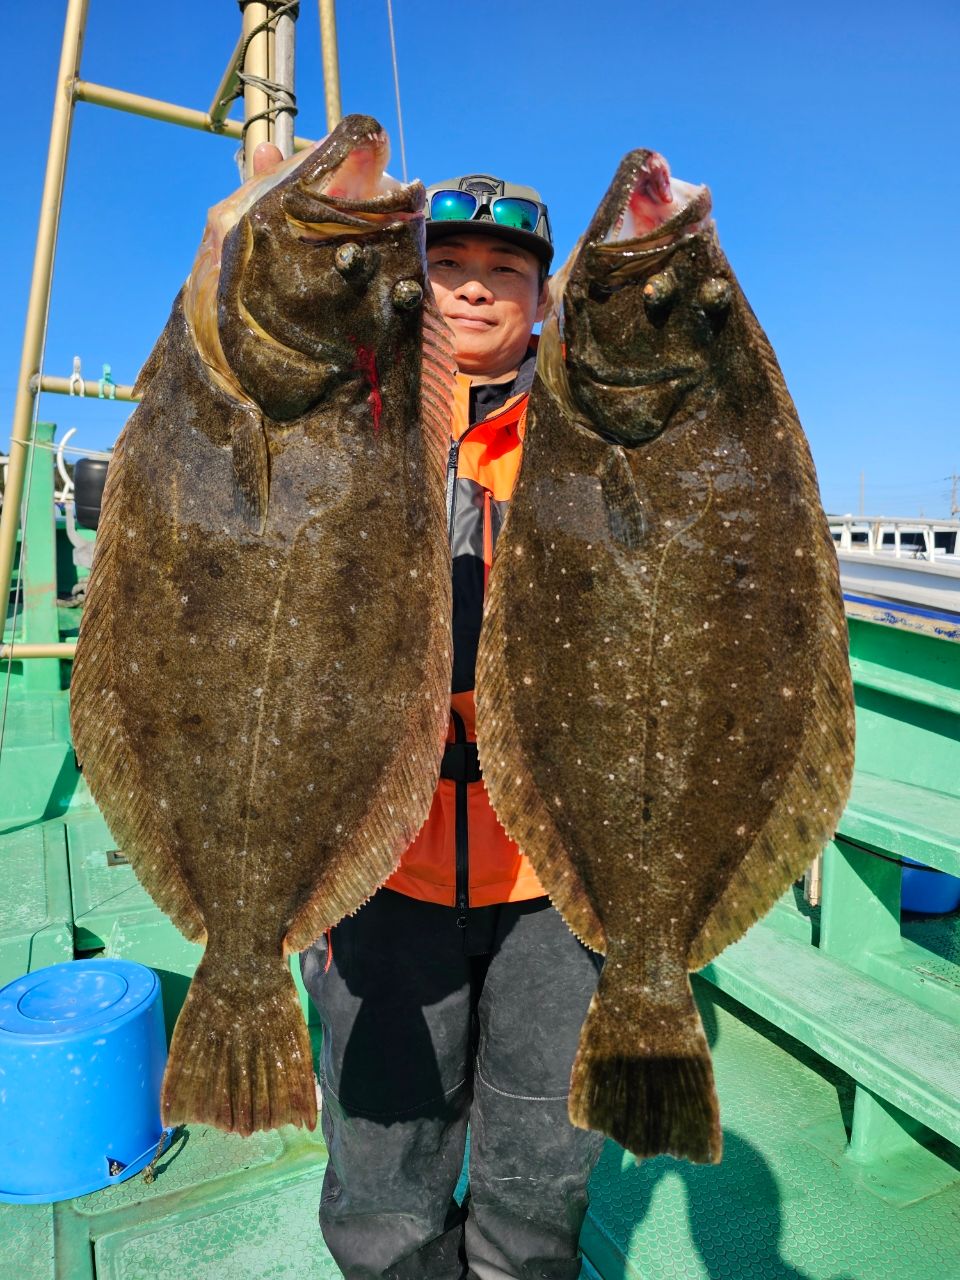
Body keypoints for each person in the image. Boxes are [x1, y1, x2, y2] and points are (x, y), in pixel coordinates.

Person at [297, 169, 606, 1279]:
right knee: (383, 1181)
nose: (473, 292)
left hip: (556, 885)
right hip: (379, 872)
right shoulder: (346, 424)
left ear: (544, 298)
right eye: (447, 267)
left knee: (540, 1177)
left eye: (504, 272)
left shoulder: (594, 436)